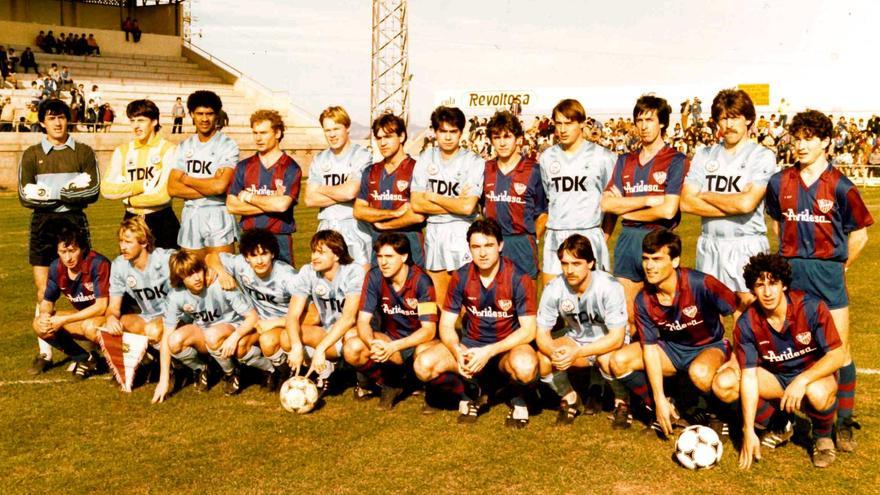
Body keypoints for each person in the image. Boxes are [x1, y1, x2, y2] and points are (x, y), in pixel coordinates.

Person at [764, 110, 873, 453]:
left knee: (839, 350)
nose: (801, 144)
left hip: (827, 273)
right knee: (790, 344)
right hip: (791, 273)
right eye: (797, 138)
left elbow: (861, 235)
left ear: (826, 141)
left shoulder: (841, 185)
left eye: (809, 138)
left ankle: (843, 421)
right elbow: (777, 224)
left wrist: (842, 266)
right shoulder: (779, 182)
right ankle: (786, 417)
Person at [719, 254, 845, 468]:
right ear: (752, 289)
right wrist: (748, 430)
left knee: (818, 393)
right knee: (727, 383)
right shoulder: (747, 322)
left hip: (813, 374)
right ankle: (780, 423)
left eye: (773, 283)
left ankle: (822, 435)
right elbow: (749, 376)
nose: (767, 292)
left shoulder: (810, 308)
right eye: (760, 285)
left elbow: (837, 355)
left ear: (784, 285)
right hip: (777, 377)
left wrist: (802, 380)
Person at [610, 229, 736, 438]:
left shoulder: (700, 283)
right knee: (619, 360)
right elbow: (649, 350)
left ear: (675, 261)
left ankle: (718, 414)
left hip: (708, 346)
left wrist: (738, 356)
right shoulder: (644, 299)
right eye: (646, 259)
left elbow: (737, 310)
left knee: (700, 373)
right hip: (671, 349)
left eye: (657, 259)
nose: (649, 266)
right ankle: (669, 407)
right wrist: (659, 399)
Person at [414, 219, 539, 428]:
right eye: (476, 247)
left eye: (488, 245)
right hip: (471, 346)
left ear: (500, 245)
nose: (482, 253)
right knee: (423, 365)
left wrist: (489, 351)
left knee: (525, 367)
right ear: (469, 248)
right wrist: (457, 351)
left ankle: (514, 393)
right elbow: (446, 325)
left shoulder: (518, 277)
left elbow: (528, 330)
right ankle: (469, 390)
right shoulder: (461, 276)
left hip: (506, 348)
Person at [18, 99, 99, 375]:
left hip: (74, 221)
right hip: (43, 225)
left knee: (84, 288)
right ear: (42, 122)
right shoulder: (31, 154)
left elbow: (93, 192)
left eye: (62, 117)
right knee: (44, 291)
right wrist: (64, 194)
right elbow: (24, 196)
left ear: (69, 119)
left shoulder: (84, 151)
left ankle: (96, 345)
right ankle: (45, 353)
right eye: (51, 118)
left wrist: (49, 195)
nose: (57, 122)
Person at [680, 89, 778, 315]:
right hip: (709, 243)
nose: (729, 124)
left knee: (749, 318)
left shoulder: (761, 155)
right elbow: (686, 203)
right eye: (723, 118)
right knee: (707, 318)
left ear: (748, 119)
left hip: (746, 244)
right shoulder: (705, 154)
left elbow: (747, 204)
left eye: (735, 117)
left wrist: (704, 194)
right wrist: (734, 202)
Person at [601, 95, 688, 332]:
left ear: (662, 123)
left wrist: (627, 210)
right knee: (628, 316)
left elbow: (669, 210)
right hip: (627, 242)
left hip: (658, 239)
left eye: (649, 120)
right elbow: (607, 204)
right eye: (639, 120)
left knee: (663, 316)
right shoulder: (625, 161)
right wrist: (648, 202)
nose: (643, 126)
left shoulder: (676, 160)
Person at [154, 250, 272, 402]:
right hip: (207, 334)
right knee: (174, 341)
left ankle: (232, 372)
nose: (196, 278)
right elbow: (166, 336)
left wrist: (234, 337)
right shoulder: (176, 295)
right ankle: (202, 369)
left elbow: (252, 317)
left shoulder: (219, 284)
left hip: (234, 328)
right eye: (189, 275)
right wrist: (163, 379)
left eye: (197, 270)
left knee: (212, 334)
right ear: (180, 278)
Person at [536, 234, 628, 426]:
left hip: (608, 342)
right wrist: (555, 353)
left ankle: (622, 401)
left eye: (576, 263)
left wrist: (577, 352)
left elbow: (617, 338)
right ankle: (570, 399)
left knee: (606, 359)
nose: (569, 270)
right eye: (565, 263)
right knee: (544, 359)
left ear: (591, 263)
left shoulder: (609, 286)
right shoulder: (553, 288)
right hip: (577, 339)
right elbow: (542, 334)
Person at [348, 232, 439, 411]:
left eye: (389, 256)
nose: (383, 262)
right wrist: (372, 343)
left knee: (424, 354)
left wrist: (395, 347)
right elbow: (363, 321)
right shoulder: (374, 276)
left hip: (418, 342)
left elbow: (428, 330)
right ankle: (389, 382)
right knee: (352, 347)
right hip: (390, 339)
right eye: (380, 256)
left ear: (404, 257)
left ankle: (430, 389)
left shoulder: (422, 280)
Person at [206, 229, 299, 390]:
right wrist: (222, 273)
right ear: (246, 257)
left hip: (285, 325)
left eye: (264, 254)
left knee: (267, 340)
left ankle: (286, 372)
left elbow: (313, 314)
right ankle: (269, 370)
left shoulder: (287, 276)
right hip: (258, 322)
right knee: (241, 346)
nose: (259, 260)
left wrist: (276, 323)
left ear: (273, 254)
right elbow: (210, 256)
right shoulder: (241, 265)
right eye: (253, 255)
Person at [411, 106, 484, 307]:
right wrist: (456, 203)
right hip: (434, 233)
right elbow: (417, 203)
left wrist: (433, 197)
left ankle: (471, 339)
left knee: (468, 303)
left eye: (453, 131)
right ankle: (446, 339)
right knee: (440, 303)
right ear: (435, 132)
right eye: (443, 131)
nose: (448, 137)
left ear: (461, 132)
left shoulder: (473, 161)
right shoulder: (426, 157)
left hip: (461, 232)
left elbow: (468, 208)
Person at [539, 99, 616, 287]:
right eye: (559, 123)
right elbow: (550, 199)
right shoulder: (547, 157)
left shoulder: (603, 157)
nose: (563, 129)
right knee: (553, 300)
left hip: (588, 234)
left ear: (582, 123)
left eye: (569, 123)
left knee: (594, 301)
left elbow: (613, 203)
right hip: (555, 234)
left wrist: (603, 237)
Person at [280, 230, 365, 395]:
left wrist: (320, 349)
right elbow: (292, 315)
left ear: (337, 255)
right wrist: (297, 346)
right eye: (313, 251)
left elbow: (348, 318)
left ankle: (361, 379)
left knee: (351, 338)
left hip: (352, 332)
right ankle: (325, 373)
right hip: (327, 331)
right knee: (286, 337)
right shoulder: (308, 271)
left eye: (321, 252)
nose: (314, 257)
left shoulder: (354, 271)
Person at [33, 224, 110, 379]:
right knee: (39, 325)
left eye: (72, 251)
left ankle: (121, 361)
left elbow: (102, 307)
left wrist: (65, 319)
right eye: (63, 252)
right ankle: (86, 359)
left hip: (110, 318)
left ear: (82, 249)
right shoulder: (56, 267)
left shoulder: (98, 264)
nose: (68, 257)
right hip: (84, 318)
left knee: (90, 327)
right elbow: (48, 301)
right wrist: (44, 315)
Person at [167, 90, 240, 255]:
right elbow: (172, 188)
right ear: (191, 114)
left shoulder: (227, 145)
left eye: (209, 114)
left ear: (217, 115)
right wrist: (210, 184)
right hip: (190, 215)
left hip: (218, 213)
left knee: (221, 274)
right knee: (193, 276)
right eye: (199, 113)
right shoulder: (184, 146)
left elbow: (220, 187)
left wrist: (185, 178)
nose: (205, 119)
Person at [226, 109, 302, 266]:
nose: (258, 138)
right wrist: (272, 201)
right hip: (250, 237)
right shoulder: (243, 166)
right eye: (255, 133)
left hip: (279, 238)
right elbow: (232, 205)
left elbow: (282, 206)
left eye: (263, 133)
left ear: (278, 133)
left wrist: (249, 197)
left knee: (283, 287)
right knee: (250, 287)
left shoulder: (291, 168)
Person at [101, 99, 179, 248]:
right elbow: (106, 189)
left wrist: (128, 199)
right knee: (131, 270)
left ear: (155, 121)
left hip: (161, 219)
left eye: (141, 120)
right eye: (132, 120)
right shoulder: (122, 151)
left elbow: (163, 195)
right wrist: (141, 186)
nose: (136, 126)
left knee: (167, 270)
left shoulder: (169, 150)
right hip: (130, 219)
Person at [304, 106, 374, 268]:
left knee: (360, 282)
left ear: (347, 128)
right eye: (327, 130)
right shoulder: (320, 159)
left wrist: (321, 188)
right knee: (327, 281)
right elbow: (309, 199)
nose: (332, 134)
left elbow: (351, 192)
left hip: (355, 226)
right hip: (326, 226)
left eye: (336, 128)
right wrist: (341, 190)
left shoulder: (361, 155)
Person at [353, 112, 427, 267]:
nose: (382, 143)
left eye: (388, 137)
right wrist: (395, 213)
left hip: (411, 251)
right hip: (380, 252)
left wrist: (383, 225)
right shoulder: (371, 171)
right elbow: (359, 211)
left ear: (401, 137)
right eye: (379, 138)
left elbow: (417, 215)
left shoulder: (417, 169)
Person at [481, 110, 547, 279]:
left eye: (507, 136)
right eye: (496, 137)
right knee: (494, 300)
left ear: (518, 139)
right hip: (492, 243)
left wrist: (533, 238)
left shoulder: (534, 170)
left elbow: (543, 213)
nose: (502, 143)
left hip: (522, 244)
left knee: (526, 300)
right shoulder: (485, 170)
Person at [100, 218, 175, 360]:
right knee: (108, 330)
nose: (123, 247)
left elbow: (194, 266)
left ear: (144, 242)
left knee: (152, 330)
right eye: (121, 241)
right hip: (148, 316)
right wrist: (110, 318)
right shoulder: (119, 265)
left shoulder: (166, 258)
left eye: (128, 242)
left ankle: (179, 366)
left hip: (177, 316)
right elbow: (114, 307)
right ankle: (143, 365)